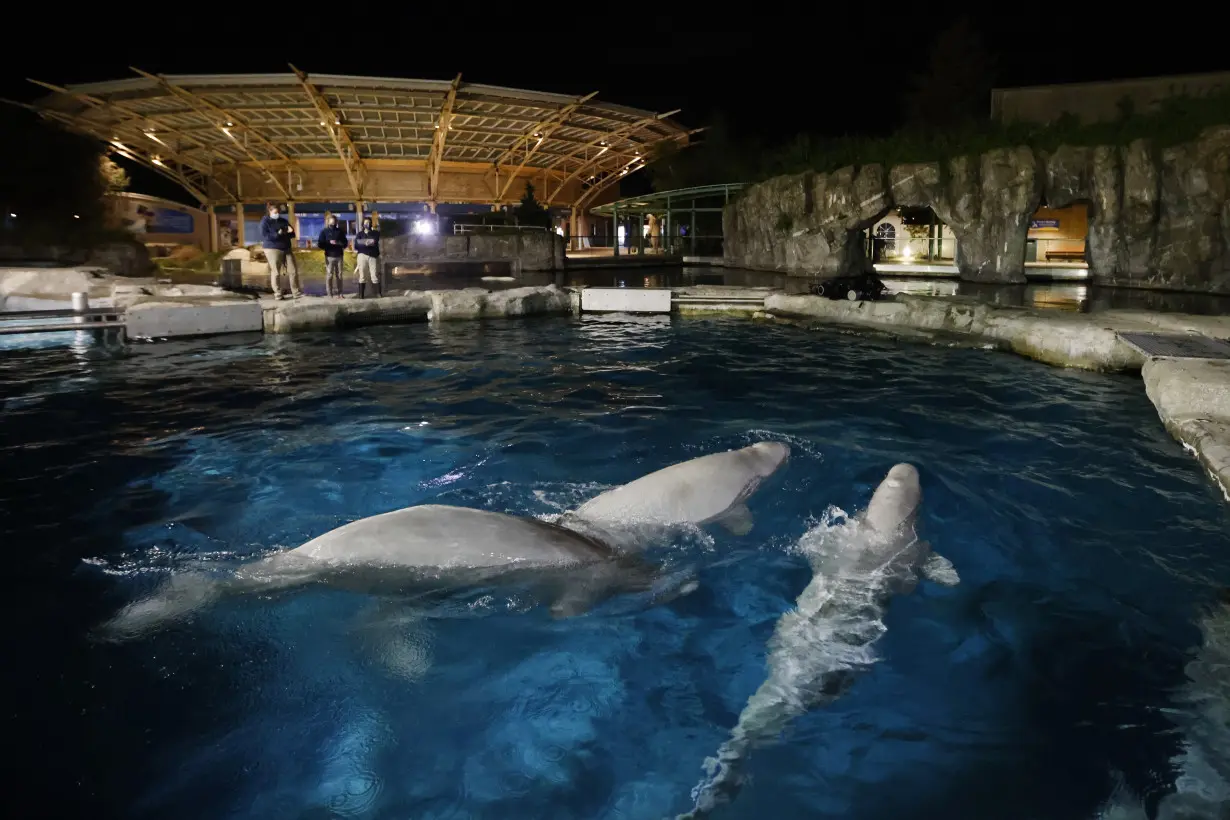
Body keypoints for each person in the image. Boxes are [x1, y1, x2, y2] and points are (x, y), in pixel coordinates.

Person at [260, 202, 301, 299]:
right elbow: (265, 236)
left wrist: (288, 232)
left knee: (293, 270)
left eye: (278, 212)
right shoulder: (265, 222)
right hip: (272, 248)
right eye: (275, 212)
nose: (277, 214)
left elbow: (292, 234)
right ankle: (278, 293)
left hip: (286, 247)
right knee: (276, 271)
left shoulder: (283, 221)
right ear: (270, 212)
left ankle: (296, 292)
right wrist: (278, 234)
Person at [316, 214, 348, 298]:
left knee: (339, 275)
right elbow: (320, 244)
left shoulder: (340, 231)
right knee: (329, 275)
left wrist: (338, 243)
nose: (333, 222)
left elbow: (345, 243)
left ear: (336, 221)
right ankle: (329, 293)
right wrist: (328, 243)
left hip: (339, 256)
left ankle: (340, 293)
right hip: (329, 256)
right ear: (328, 221)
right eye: (331, 220)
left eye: (334, 220)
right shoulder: (324, 231)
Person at [354, 216, 381, 298]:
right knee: (362, 276)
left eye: (368, 223)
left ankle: (378, 293)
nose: (367, 224)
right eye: (365, 223)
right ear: (363, 224)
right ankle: (361, 295)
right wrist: (366, 243)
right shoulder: (359, 234)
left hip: (373, 256)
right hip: (362, 255)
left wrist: (363, 242)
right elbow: (356, 245)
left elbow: (374, 241)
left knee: (374, 275)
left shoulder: (375, 233)